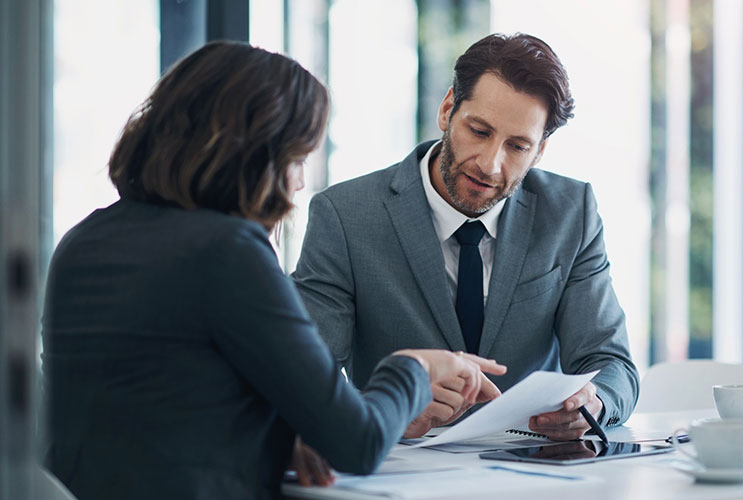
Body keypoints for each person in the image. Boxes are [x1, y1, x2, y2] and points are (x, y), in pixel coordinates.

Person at [40, 41, 505, 500]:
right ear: (251, 153)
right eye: (297, 159)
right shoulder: (226, 252)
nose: (299, 182)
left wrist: (285, 437)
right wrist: (415, 369)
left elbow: (162, 412)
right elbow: (357, 444)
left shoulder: (84, 241)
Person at [293, 32, 639, 441]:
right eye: (479, 131)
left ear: (540, 151)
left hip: (529, 462)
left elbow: (612, 364)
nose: (490, 165)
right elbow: (304, 379)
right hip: (399, 459)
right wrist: (389, 408)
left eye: (517, 146)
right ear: (447, 110)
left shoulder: (570, 212)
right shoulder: (345, 215)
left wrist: (594, 403)